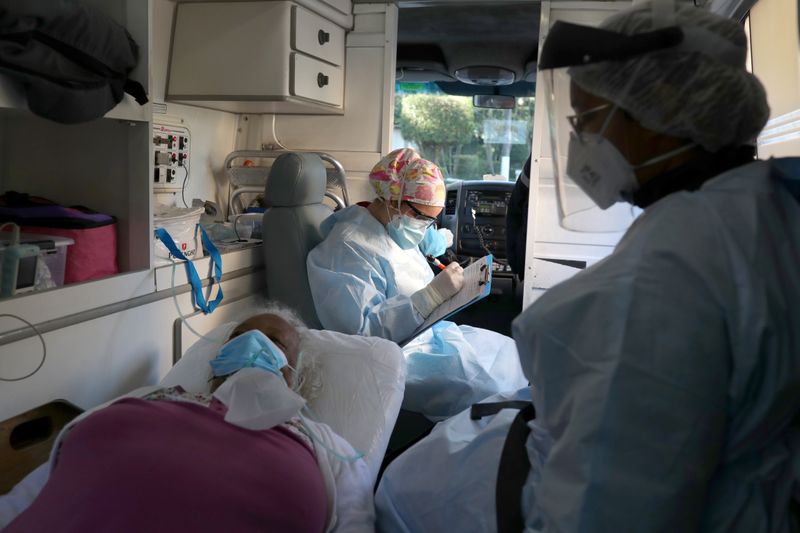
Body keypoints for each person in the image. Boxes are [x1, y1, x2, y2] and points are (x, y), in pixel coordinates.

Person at [376, 3, 800, 532]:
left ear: (659, 113)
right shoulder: (771, 206)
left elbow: (602, 507)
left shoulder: (661, 277)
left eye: (588, 121)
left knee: (402, 488)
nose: (579, 144)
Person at [4, 306, 375, 533]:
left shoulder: (324, 445)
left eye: (274, 340)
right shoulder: (148, 397)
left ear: (294, 375)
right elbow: (36, 492)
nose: (252, 343)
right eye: (240, 336)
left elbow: (355, 521)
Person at [307, 148, 528, 419]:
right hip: (395, 358)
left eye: (432, 221)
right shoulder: (347, 247)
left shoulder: (389, 227)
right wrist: (432, 296)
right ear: (393, 198)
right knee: (491, 387)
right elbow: (361, 333)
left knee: (514, 355)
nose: (425, 227)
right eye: (423, 219)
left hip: (428, 337)